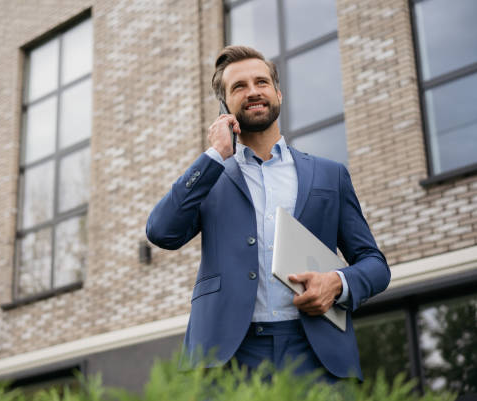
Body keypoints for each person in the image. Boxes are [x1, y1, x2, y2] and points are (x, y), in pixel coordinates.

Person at [146, 45, 390, 382]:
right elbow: (161, 232)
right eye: (239, 87)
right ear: (224, 106)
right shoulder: (210, 177)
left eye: (261, 82)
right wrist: (216, 155)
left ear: (277, 93)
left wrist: (336, 283)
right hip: (227, 357)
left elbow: (375, 265)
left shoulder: (329, 175)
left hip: (317, 353)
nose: (252, 92)